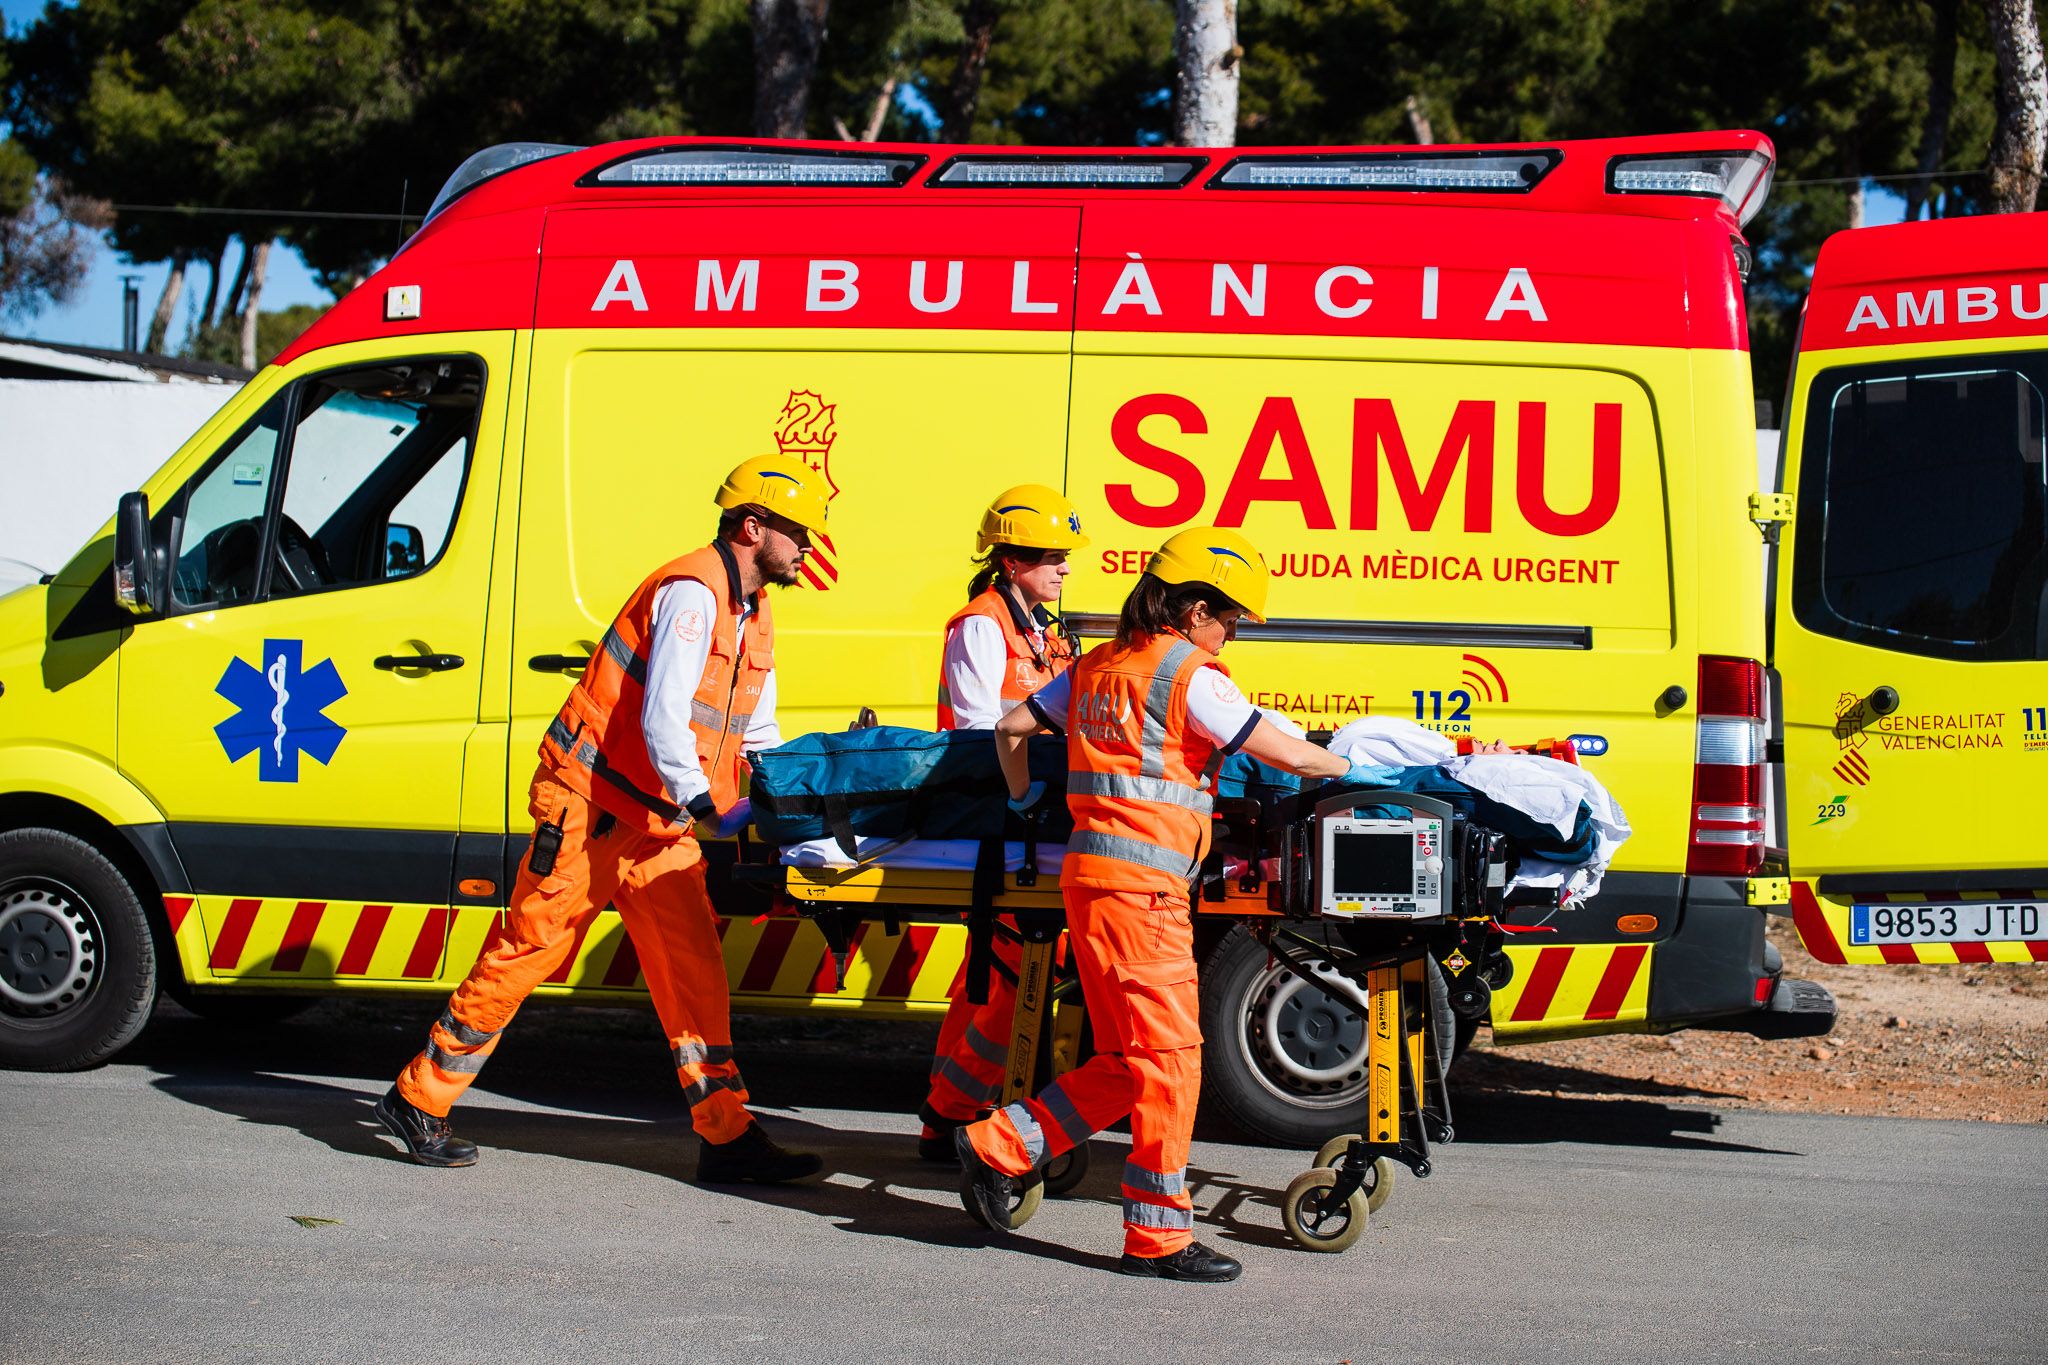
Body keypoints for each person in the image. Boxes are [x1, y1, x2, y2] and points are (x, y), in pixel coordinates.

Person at [375, 454, 829, 1185]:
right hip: (590, 802)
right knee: (531, 949)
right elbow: (663, 721)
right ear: (754, 526)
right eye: (799, 531)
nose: (809, 546)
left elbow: (756, 727)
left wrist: (784, 794)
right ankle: (416, 1098)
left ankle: (726, 1131)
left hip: (656, 818)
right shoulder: (692, 593)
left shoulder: (754, 611)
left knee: (695, 971)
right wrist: (714, 806)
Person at [954, 528, 1379, 1283]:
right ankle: (1157, 1238)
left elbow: (1012, 726)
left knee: (1128, 1061)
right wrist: (1355, 766)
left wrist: (1024, 798)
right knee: (1175, 1061)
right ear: (1193, 608)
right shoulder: (1193, 673)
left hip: (1091, 883)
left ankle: (1001, 1144)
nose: (1233, 633)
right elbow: (1282, 752)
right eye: (1231, 617)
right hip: (1144, 895)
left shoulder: (1094, 664)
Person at [918, 486, 1087, 1161]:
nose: (1065, 569)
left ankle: (944, 1115)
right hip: (997, 815)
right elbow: (975, 729)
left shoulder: (1042, 627)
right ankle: (950, 1110)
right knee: (1004, 975)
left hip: (1026, 816)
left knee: (984, 976)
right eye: (1053, 557)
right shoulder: (982, 624)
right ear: (1012, 561)